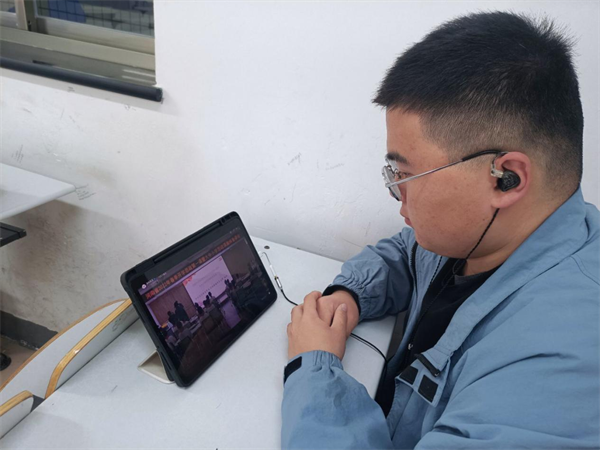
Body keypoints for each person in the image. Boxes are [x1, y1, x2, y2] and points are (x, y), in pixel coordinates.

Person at [282, 11, 599, 450]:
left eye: (405, 174)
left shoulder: (559, 366)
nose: (396, 192)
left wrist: (314, 368)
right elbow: (406, 254)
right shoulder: (485, 234)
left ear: (506, 178)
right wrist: (348, 297)